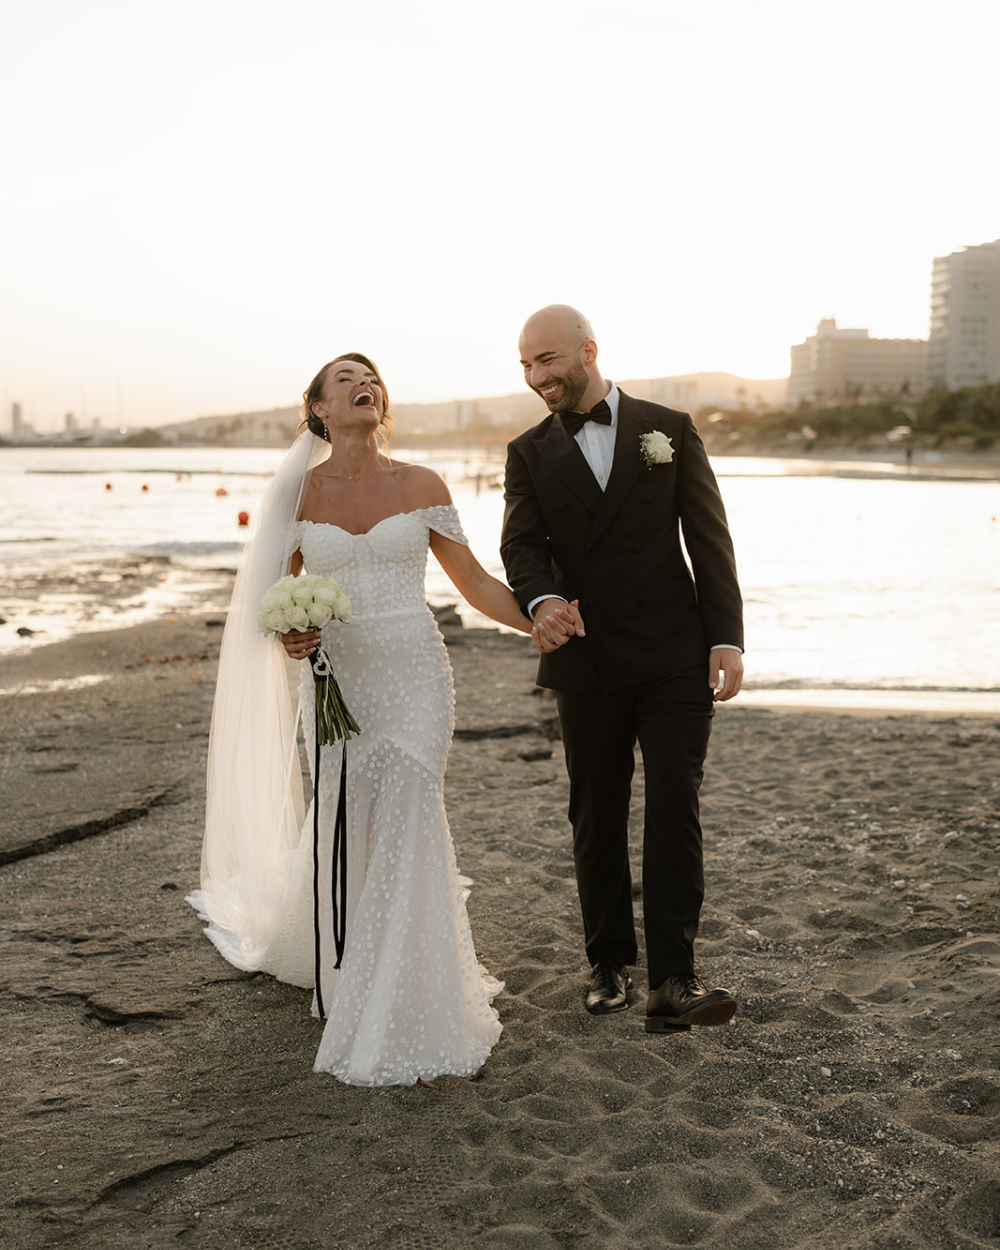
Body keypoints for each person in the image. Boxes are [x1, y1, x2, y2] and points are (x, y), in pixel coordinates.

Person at [189, 352, 575, 1086]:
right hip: (338, 680)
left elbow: (475, 584)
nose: (364, 384)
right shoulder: (298, 495)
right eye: (345, 379)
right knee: (349, 813)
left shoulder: (423, 484)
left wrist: (539, 616)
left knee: (408, 805)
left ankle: (403, 987)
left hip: (416, 672)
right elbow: (270, 600)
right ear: (320, 410)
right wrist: (291, 634)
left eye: (372, 377)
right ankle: (345, 959)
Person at [500, 306, 744, 1032]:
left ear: (587, 351)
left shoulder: (668, 426)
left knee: (676, 806)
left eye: (547, 360)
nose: (537, 377)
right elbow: (521, 546)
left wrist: (725, 638)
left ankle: (674, 979)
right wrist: (541, 600)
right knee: (596, 812)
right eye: (525, 366)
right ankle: (607, 960)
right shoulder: (527, 451)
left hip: (674, 650)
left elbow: (710, 538)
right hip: (588, 656)